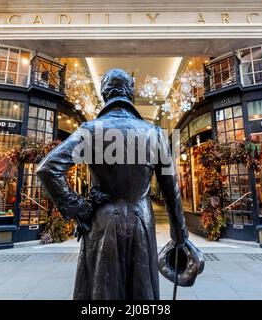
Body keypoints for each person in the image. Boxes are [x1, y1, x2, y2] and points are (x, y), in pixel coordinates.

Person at [36, 69, 190, 300]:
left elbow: (48, 168)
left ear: (104, 95)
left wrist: (80, 208)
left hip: (102, 220)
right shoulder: (155, 133)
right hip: (141, 220)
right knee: (141, 290)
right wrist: (180, 235)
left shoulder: (90, 130)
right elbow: (171, 189)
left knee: (103, 289)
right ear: (131, 93)